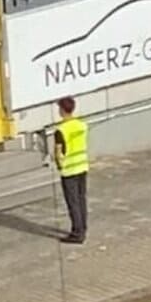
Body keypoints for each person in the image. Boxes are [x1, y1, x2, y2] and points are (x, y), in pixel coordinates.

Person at [51, 97, 90, 244]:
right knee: (81, 199)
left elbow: (58, 152)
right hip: (82, 166)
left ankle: (77, 232)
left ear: (61, 110)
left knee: (72, 201)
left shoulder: (60, 130)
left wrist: (59, 165)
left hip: (69, 169)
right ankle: (83, 227)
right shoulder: (82, 125)